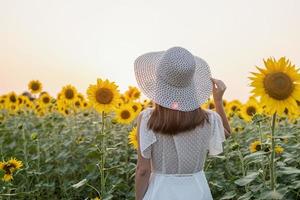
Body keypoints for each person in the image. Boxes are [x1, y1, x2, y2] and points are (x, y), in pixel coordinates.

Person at [133, 46, 231, 200]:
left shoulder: (147, 118)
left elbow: (143, 170)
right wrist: (218, 101)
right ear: (192, 84)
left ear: (159, 82)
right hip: (198, 191)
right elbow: (225, 132)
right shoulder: (209, 119)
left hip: (160, 191)